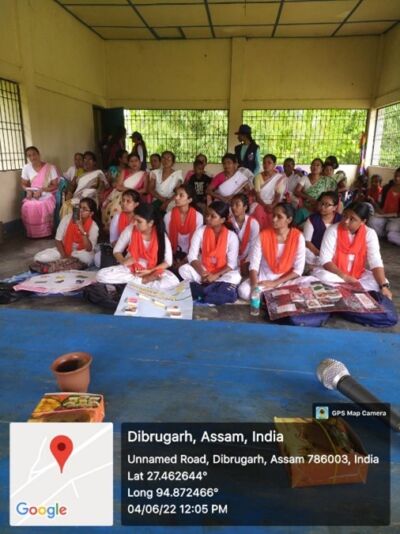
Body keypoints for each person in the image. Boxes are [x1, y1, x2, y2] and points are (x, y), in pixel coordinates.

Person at [311, 202, 397, 327]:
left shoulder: (370, 233)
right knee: (322, 277)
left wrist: (384, 286)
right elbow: (325, 260)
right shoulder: (333, 230)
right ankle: (350, 298)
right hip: (335, 274)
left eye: (352, 219)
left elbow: (375, 261)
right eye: (345, 216)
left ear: (363, 221)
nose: (346, 221)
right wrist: (345, 277)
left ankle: (341, 298)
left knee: (380, 281)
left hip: (357, 275)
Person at [96, 202, 179, 290]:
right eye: (134, 219)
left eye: (139, 221)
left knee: (172, 282)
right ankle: (142, 281)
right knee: (101, 275)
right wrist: (124, 261)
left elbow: (168, 262)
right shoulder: (130, 229)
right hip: (131, 269)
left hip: (153, 270)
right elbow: (117, 251)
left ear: (150, 223)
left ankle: (136, 283)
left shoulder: (161, 236)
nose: (135, 223)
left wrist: (149, 271)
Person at [238, 203, 306, 301]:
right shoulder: (263, 235)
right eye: (273, 215)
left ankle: (271, 297)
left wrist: (275, 283)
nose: (274, 219)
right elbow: (254, 265)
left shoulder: (298, 237)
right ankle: (277, 297)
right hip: (265, 278)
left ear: (289, 220)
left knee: (312, 281)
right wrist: (254, 287)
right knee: (243, 291)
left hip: (286, 279)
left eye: (279, 217)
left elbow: (298, 270)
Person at [179, 201, 241, 304]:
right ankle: (214, 290)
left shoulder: (232, 236)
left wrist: (215, 276)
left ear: (222, 220)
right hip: (203, 271)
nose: (208, 218)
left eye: (213, 216)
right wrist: (203, 273)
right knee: (183, 269)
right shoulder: (200, 231)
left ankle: (204, 289)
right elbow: (192, 256)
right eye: (207, 215)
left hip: (221, 274)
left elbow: (231, 264)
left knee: (236, 276)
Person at [32, 197, 99, 270]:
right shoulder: (67, 218)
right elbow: (58, 240)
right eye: (79, 207)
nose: (80, 210)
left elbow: (89, 249)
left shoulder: (94, 226)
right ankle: (66, 264)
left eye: (84, 209)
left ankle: (59, 265)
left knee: (87, 258)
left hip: (80, 253)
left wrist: (82, 229)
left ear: (91, 213)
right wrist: (64, 256)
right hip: (64, 250)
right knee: (39, 257)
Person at [21, 146, 60, 238]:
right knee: (27, 205)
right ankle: (33, 233)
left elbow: (55, 185)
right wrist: (28, 190)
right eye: (29, 155)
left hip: (47, 193)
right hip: (33, 193)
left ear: (39, 154)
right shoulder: (26, 168)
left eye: (34, 154)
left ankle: (45, 232)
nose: (32, 157)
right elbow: (23, 183)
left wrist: (42, 190)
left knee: (42, 205)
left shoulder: (50, 167)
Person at [164, 184, 203, 272]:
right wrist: (172, 258)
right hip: (173, 253)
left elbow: (197, 243)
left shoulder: (198, 217)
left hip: (191, 253)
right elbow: (167, 241)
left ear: (189, 200)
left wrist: (184, 261)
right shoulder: (168, 216)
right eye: (176, 194)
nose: (176, 198)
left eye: (181, 195)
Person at [102, 153, 148, 228]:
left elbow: (145, 190)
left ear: (140, 162)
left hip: (135, 196)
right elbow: (118, 186)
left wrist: (133, 192)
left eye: (136, 160)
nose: (134, 163)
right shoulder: (124, 171)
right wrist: (130, 191)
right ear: (128, 163)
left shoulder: (144, 174)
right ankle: (114, 227)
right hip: (121, 194)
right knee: (116, 206)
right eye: (131, 161)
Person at [59, 151, 108, 219]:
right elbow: (72, 186)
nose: (86, 161)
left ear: (94, 162)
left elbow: (104, 186)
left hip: (91, 197)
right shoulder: (80, 175)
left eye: (90, 159)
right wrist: (69, 192)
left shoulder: (98, 172)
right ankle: (70, 224)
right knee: (66, 205)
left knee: (76, 207)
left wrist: (98, 192)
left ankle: (77, 222)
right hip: (78, 197)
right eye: (85, 159)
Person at [303, 191, 342, 267]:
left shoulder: (340, 220)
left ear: (335, 207)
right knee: (305, 251)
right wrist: (320, 254)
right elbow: (307, 241)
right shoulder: (312, 219)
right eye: (321, 203)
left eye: (327, 205)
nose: (323, 207)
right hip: (315, 252)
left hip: (333, 253)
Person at [294, 158, 337, 225]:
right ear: (310, 167)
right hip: (307, 207)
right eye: (313, 165)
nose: (315, 167)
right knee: (300, 213)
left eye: (317, 165)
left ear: (322, 168)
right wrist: (308, 197)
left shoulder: (326, 181)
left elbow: (331, 196)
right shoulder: (305, 178)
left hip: (321, 209)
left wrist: (319, 203)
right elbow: (296, 191)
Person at [250, 154, 287, 229]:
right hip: (260, 202)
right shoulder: (258, 177)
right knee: (258, 211)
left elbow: (278, 195)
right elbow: (257, 196)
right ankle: (259, 233)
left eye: (269, 163)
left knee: (276, 213)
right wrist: (265, 206)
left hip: (274, 203)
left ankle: (271, 234)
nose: (266, 165)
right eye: (264, 163)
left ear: (274, 164)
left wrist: (272, 205)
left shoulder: (279, 177)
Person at [230, 193, 259, 277]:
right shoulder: (229, 222)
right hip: (232, 256)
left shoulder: (253, 223)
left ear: (245, 207)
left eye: (237, 204)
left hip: (247, 256)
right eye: (232, 205)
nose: (233, 207)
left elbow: (253, 246)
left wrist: (247, 261)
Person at [368, 168, 400, 244]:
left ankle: (388, 234)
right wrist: (374, 204)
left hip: (397, 218)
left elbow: (398, 214)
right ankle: (384, 235)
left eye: (399, 176)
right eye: (396, 175)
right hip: (384, 215)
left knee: (391, 228)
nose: (397, 178)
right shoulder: (386, 188)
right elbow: (379, 203)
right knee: (372, 220)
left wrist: (382, 215)